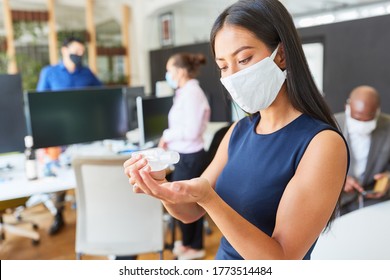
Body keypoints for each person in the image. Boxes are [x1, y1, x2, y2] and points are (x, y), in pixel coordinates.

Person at [124, 0, 349, 260]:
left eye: (243, 59)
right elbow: (190, 212)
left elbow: (282, 260)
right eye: (223, 66)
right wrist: (161, 187)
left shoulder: (322, 144)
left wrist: (210, 199)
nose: (232, 76)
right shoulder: (238, 131)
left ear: (282, 55)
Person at [36, 36, 102, 235]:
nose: (79, 55)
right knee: (60, 177)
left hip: (84, 130)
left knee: (88, 170)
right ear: (64, 50)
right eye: (75, 51)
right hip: (59, 131)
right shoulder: (50, 73)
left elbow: (102, 95)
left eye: (82, 52)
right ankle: (59, 214)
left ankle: (92, 215)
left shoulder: (87, 73)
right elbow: (40, 102)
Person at [159, 52, 211, 260]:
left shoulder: (192, 94)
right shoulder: (185, 92)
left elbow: (189, 131)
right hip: (184, 155)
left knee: (185, 203)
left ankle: (194, 247)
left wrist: (166, 135)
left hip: (190, 157)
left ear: (180, 71)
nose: (167, 75)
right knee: (184, 202)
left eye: (169, 70)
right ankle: (189, 243)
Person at [335, 85, 390, 215]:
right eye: (357, 118)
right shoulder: (329, 124)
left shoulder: (387, 126)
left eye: (368, 120)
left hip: (375, 203)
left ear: (377, 111)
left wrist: (388, 178)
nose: (362, 124)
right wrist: (338, 180)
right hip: (337, 203)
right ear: (347, 108)